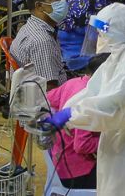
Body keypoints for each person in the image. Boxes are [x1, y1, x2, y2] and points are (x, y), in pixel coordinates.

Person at [42, 3, 125, 195]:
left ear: (119, 31)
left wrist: (71, 115)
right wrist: (66, 112)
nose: (100, 37)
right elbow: (94, 89)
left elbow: (112, 105)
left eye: (104, 31)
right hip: (123, 140)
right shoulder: (117, 57)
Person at [44, 53, 109, 189]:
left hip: (59, 162)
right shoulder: (90, 99)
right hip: (77, 171)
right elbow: (82, 145)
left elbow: (47, 100)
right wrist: (108, 140)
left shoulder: (72, 83)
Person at [11, 0, 68, 90]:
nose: (62, 2)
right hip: (46, 101)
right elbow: (49, 89)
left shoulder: (30, 25)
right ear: (39, 6)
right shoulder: (42, 41)